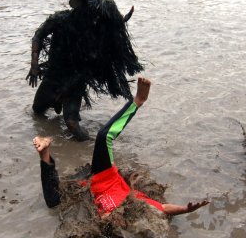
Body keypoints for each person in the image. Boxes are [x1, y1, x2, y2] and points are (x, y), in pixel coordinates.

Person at [34, 77, 209, 218]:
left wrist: (187, 210)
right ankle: (138, 101)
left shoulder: (128, 212)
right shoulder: (138, 200)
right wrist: (184, 209)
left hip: (86, 186)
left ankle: (45, 153)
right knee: (103, 136)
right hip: (106, 175)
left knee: (53, 202)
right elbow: (163, 208)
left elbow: (161, 209)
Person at [27, 0, 143, 141]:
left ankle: (94, 146)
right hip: (53, 76)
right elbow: (38, 35)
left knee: (73, 127)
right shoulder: (60, 19)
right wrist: (34, 65)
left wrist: (66, 89)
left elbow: (87, 70)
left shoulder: (96, 37)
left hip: (74, 82)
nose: (94, 21)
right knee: (37, 111)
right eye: (92, 16)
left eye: (98, 19)